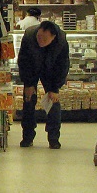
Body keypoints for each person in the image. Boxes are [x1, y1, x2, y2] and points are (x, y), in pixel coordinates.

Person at [17, 19, 70, 149]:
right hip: (32, 69)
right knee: (28, 100)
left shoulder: (61, 40)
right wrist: (28, 84)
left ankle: (53, 138)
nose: (40, 41)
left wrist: (55, 88)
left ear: (53, 37)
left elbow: (63, 65)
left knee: (53, 102)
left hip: (51, 71)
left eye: (44, 39)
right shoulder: (29, 35)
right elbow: (23, 61)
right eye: (39, 37)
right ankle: (27, 137)